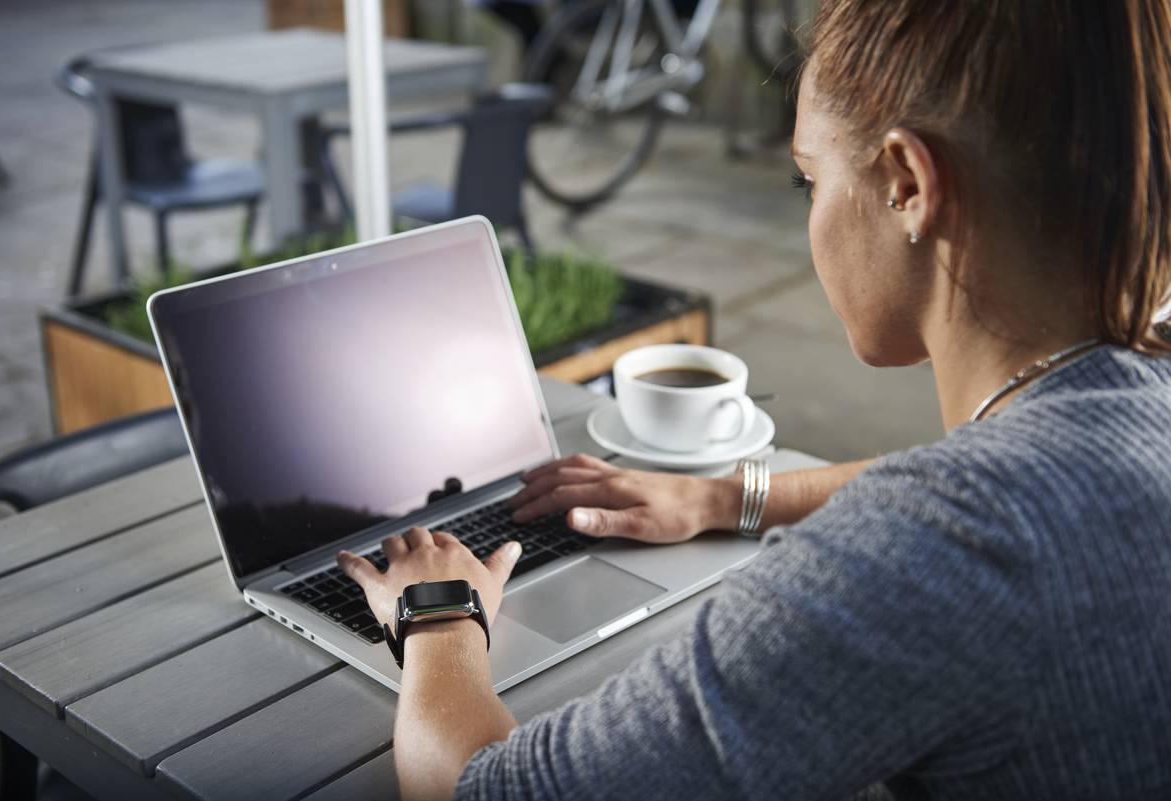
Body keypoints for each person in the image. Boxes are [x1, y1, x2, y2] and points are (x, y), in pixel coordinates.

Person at [338, 0, 1171, 798]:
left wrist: (438, 609)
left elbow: (480, 788)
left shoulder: (925, 559)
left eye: (808, 179)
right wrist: (722, 496)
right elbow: (976, 496)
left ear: (908, 182)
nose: (812, 211)